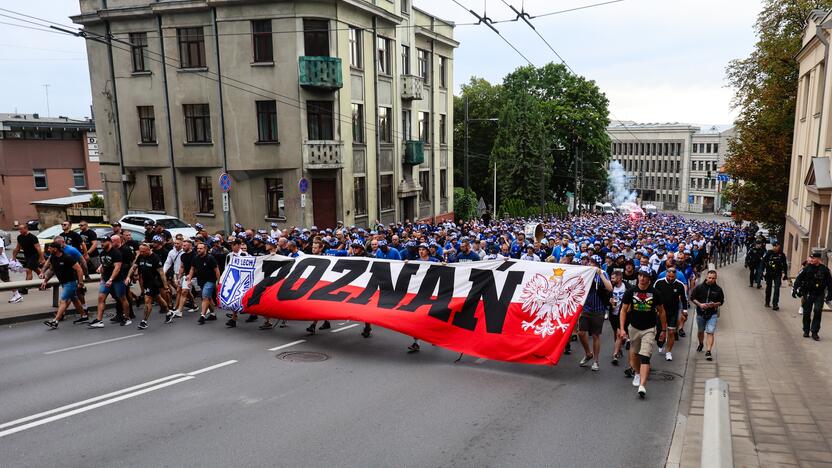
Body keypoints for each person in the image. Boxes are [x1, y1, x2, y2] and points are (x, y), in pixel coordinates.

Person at [618, 266, 667, 399]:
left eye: (645, 276)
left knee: (645, 356)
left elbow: (661, 311)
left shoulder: (655, 293)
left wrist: (663, 329)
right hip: (634, 328)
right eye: (640, 275)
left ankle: (642, 385)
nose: (642, 278)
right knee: (634, 355)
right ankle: (638, 373)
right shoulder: (630, 292)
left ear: (649, 278)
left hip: (649, 329)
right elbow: (623, 310)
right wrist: (622, 328)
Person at [577, 257, 613, 371]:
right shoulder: (585, 273)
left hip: (598, 309)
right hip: (586, 308)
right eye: (590, 262)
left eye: (594, 263)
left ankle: (596, 361)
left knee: (595, 335)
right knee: (581, 333)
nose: (591, 264)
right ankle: (588, 353)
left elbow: (610, 288)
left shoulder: (603, 273)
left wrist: (601, 275)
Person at [125, 243, 172, 329]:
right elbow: (133, 267)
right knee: (158, 298)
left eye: (143, 251)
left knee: (147, 300)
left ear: (148, 250)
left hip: (154, 282)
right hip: (146, 282)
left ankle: (144, 321)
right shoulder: (141, 256)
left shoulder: (155, 258)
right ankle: (169, 313)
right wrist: (128, 277)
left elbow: (161, 273)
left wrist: (166, 286)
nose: (141, 253)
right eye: (140, 251)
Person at [90, 235, 131, 328]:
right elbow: (104, 267)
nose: (102, 244)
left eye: (104, 242)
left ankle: (127, 318)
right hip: (105, 279)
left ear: (109, 242)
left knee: (122, 298)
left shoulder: (116, 253)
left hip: (117, 280)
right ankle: (99, 320)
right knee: (101, 298)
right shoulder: (102, 253)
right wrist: (102, 279)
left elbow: (117, 268)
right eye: (101, 242)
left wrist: (111, 279)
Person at [40, 242, 84, 329]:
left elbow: (79, 269)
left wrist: (80, 282)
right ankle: (84, 316)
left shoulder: (67, 258)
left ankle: (55, 321)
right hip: (63, 283)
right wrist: (45, 281)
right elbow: (52, 270)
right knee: (74, 300)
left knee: (63, 300)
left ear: (55, 249)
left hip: (70, 283)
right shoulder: (53, 257)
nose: (48, 250)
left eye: (50, 248)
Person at [792, 252, 832, 341]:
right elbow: (799, 279)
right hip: (808, 293)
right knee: (806, 312)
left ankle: (814, 332)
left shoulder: (825, 270)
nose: (812, 260)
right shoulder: (807, 268)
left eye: (814, 258)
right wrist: (794, 289)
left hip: (819, 294)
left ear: (818, 259)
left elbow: (830, 283)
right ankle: (806, 330)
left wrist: (830, 294)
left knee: (817, 311)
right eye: (811, 258)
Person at [653, 266, 687, 362]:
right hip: (661, 311)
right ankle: (660, 343)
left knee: (671, 332)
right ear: (666, 275)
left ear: (675, 276)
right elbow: (653, 296)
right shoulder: (659, 283)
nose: (671, 278)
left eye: (673, 277)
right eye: (669, 276)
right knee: (661, 331)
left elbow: (684, 298)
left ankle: (668, 352)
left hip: (673, 311)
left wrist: (684, 310)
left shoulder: (680, 285)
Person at [691, 270, 725, 360]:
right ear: (706, 277)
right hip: (700, 313)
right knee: (700, 331)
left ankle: (708, 351)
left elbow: (721, 302)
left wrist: (714, 304)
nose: (711, 280)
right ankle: (701, 343)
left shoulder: (718, 289)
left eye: (713, 278)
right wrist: (700, 305)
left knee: (710, 332)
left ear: (716, 279)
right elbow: (692, 298)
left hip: (712, 314)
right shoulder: (699, 287)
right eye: (709, 278)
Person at [188, 242, 221, 325]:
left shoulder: (210, 258)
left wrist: (219, 281)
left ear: (205, 249)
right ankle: (213, 314)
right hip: (201, 281)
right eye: (198, 248)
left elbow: (216, 270)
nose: (198, 250)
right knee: (208, 298)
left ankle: (202, 315)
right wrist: (189, 279)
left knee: (205, 297)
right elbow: (192, 269)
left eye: (201, 248)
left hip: (210, 281)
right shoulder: (195, 258)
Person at [11, 222, 43, 302]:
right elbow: (17, 248)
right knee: (36, 269)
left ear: (26, 228)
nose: (20, 231)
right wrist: (14, 257)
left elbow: (38, 249)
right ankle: (46, 283)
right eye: (19, 229)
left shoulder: (33, 237)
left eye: (21, 229)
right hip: (27, 255)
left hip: (34, 255)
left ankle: (25, 288)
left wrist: (42, 258)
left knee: (28, 270)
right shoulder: (19, 237)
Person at [608, 269, 630, 366]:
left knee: (619, 333)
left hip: (624, 314)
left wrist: (628, 309)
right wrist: (609, 301)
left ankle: (615, 354)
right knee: (616, 332)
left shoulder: (627, 287)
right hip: (613, 314)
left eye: (613, 278)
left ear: (619, 278)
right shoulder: (611, 287)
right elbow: (606, 297)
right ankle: (620, 347)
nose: (611, 280)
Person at [762, 241, 788, 310]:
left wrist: (785, 274)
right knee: (768, 288)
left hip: (778, 274)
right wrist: (762, 272)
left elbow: (785, 265)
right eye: (774, 246)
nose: (775, 247)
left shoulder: (782, 254)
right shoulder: (769, 253)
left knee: (777, 289)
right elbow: (763, 262)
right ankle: (767, 302)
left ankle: (775, 304)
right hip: (769, 273)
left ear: (779, 246)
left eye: (776, 246)